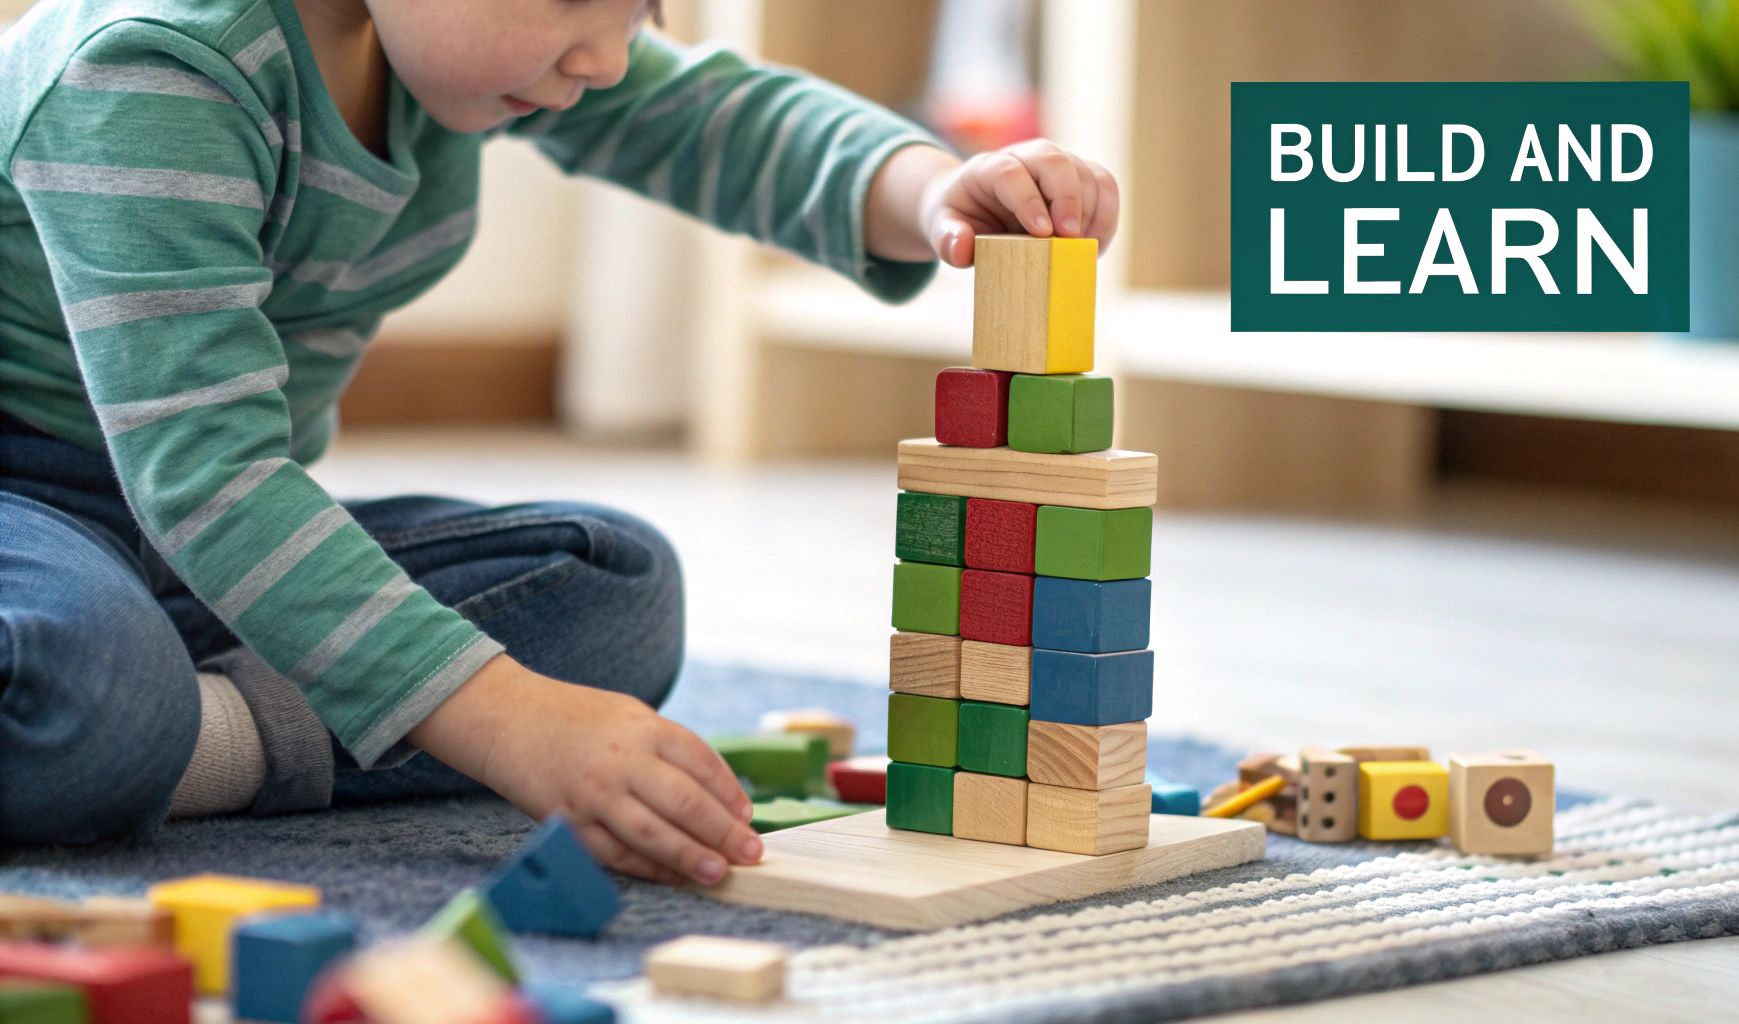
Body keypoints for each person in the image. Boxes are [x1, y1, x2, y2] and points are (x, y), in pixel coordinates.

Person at [0, 0, 1119, 887]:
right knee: (90, 689)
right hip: (44, 498)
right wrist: (505, 720)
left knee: (617, 586)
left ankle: (191, 731)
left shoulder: (471, 48)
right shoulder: (149, 70)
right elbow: (212, 478)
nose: (605, 51)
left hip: (196, 540)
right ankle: (159, 729)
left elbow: (720, 122)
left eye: (638, 5)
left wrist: (935, 191)